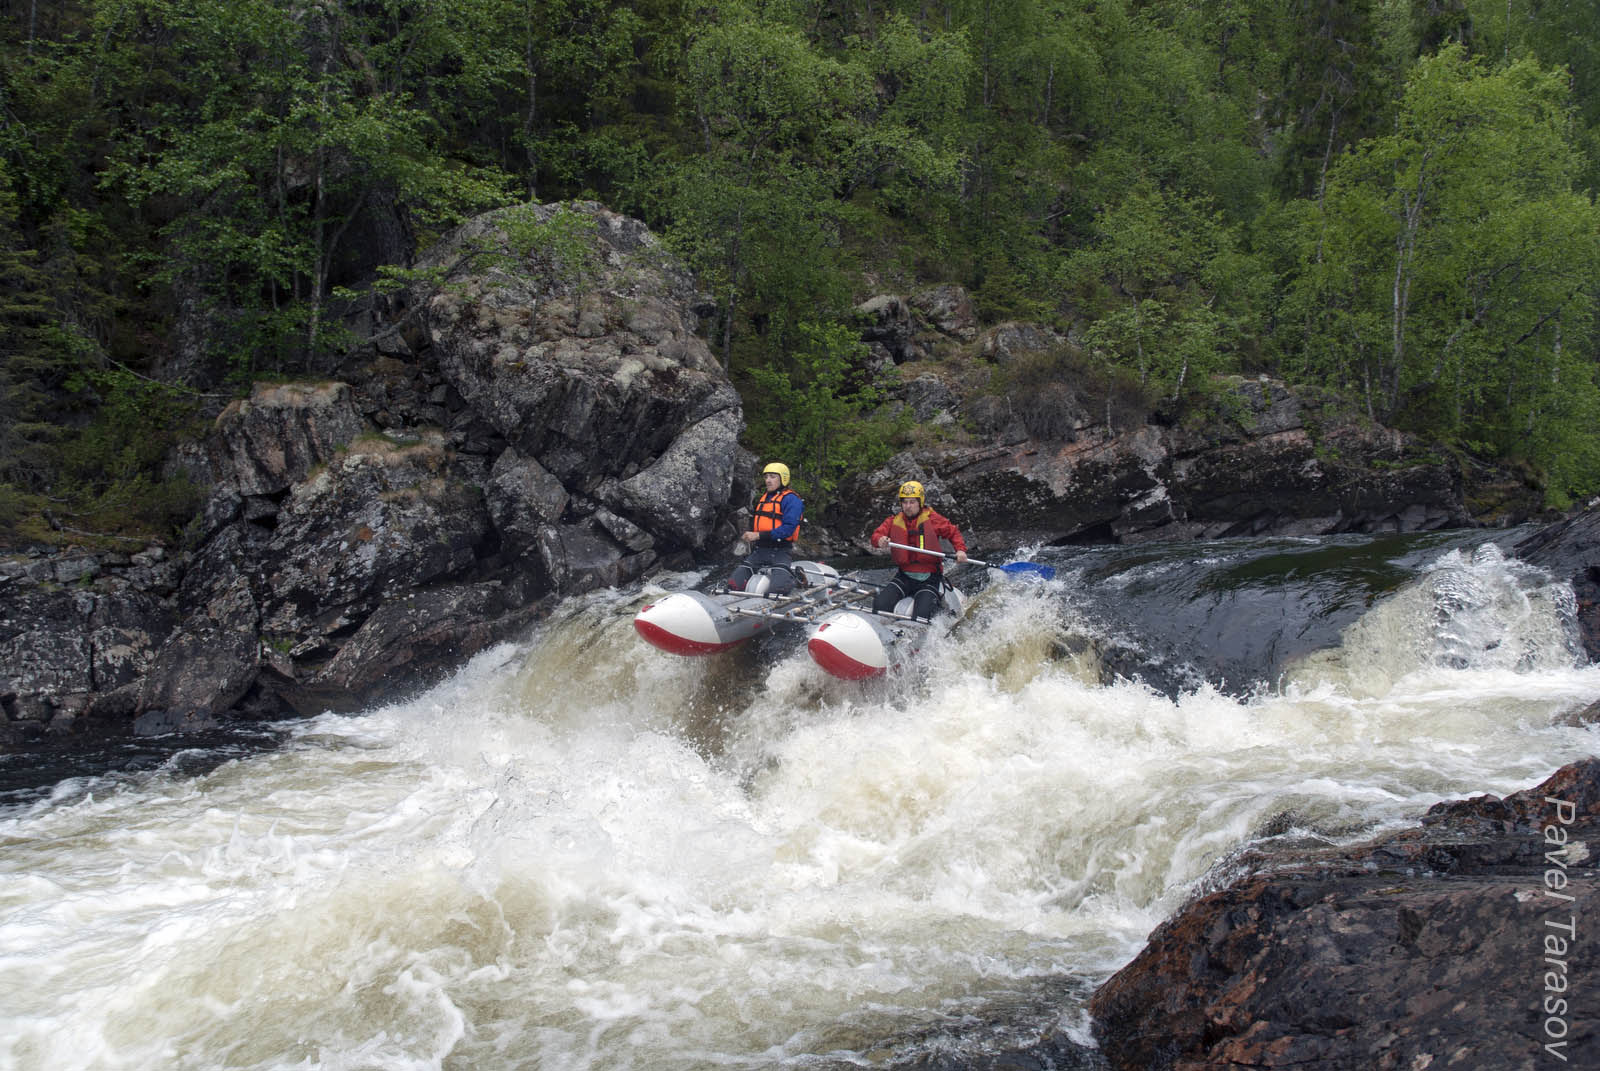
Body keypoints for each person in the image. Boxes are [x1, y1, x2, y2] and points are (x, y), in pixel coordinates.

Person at [869, 480, 968, 619]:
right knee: (879, 605)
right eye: (905, 502)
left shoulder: (932, 519)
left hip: (929, 578)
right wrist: (879, 540)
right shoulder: (893, 521)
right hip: (904, 576)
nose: (908, 506)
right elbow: (876, 536)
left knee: (922, 614)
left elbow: (953, 532)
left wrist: (960, 550)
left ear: (920, 502)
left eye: (912, 502)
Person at [727, 461, 804, 594]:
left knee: (778, 590)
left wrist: (758, 535)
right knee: (733, 585)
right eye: (766, 477)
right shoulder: (765, 498)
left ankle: (797, 578)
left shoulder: (792, 500)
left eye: (773, 477)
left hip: (780, 551)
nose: (768, 480)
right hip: (760, 551)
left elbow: (788, 529)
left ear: (783, 479)